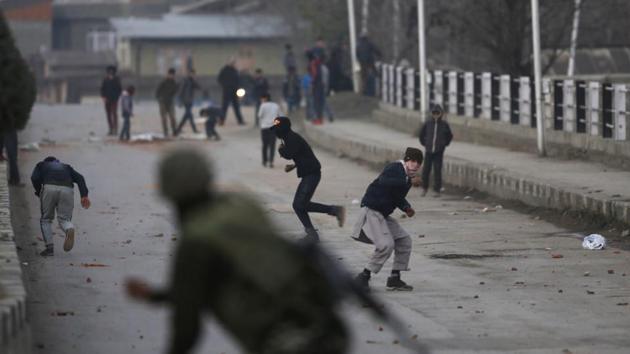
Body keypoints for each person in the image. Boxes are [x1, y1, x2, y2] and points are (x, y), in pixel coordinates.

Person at [124, 148, 349, 354]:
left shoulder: (196, 242)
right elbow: (223, 278)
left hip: (284, 344)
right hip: (328, 328)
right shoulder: (241, 206)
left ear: (169, 192)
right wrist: (155, 296)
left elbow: (187, 326)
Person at [352, 147, 423, 292]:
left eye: (419, 162)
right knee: (386, 244)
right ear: (407, 160)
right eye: (413, 161)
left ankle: (395, 277)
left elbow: (397, 196)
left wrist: (406, 207)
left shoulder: (407, 178)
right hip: (372, 210)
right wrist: (406, 181)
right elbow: (384, 181)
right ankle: (363, 277)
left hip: (383, 215)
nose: (416, 165)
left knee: (404, 240)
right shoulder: (395, 168)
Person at [272, 117, 345, 242]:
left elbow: (289, 154)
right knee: (300, 205)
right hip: (309, 173)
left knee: (299, 205)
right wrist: (295, 165)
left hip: (312, 174)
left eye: (277, 129)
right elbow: (302, 154)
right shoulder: (289, 137)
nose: (275, 133)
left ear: (282, 129)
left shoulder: (291, 138)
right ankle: (331, 213)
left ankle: (320, 226)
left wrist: (281, 150)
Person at [31, 156, 91, 257]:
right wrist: (84, 195)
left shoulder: (41, 165)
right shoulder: (66, 167)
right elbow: (80, 178)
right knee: (64, 219)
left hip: (48, 188)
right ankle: (69, 228)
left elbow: (34, 178)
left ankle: (49, 249)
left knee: (46, 219)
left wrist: (38, 191)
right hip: (67, 189)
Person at [419, 104, 453, 197]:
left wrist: (444, 144)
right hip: (429, 151)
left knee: (437, 170)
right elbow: (421, 135)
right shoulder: (428, 123)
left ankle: (437, 190)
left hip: (439, 151)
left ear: (441, 114)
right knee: (426, 170)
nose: (436, 115)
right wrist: (425, 144)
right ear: (431, 114)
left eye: (438, 113)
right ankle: (424, 188)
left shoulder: (444, 124)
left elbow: (449, 136)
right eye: (434, 113)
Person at [258, 93, 282, 168]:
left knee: (265, 145)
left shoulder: (263, 105)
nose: (261, 100)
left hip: (264, 127)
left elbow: (259, 115)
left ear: (264, 98)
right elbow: (281, 116)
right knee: (272, 145)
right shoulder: (276, 105)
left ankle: (264, 161)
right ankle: (271, 161)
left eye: (261, 99)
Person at [218, 59, 245, 125]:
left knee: (236, 106)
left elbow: (238, 80)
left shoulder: (235, 71)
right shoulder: (224, 70)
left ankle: (240, 121)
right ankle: (221, 120)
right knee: (225, 107)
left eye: (234, 63)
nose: (233, 64)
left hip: (234, 91)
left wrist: (239, 88)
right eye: (232, 63)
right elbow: (219, 79)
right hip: (227, 91)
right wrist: (225, 85)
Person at [175, 69, 201, 135]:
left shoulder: (192, 81)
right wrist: (179, 100)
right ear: (189, 74)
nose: (193, 75)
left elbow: (199, 87)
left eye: (194, 74)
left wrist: (195, 80)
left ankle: (178, 129)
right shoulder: (185, 80)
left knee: (187, 115)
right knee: (188, 114)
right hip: (186, 100)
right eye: (192, 74)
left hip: (190, 101)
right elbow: (181, 91)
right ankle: (194, 130)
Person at [155, 68, 178, 137]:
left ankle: (174, 131)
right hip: (163, 103)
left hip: (170, 102)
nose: (171, 76)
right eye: (170, 75)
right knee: (164, 119)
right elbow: (157, 92)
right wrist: (160, 99)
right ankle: (165, 132)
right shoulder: (163, 82)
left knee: (173, 117)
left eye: (173, 75)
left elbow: (175, 92)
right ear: (168, 74)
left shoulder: (174, 83)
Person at [100, 66, 122, 135]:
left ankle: (115, 129)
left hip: (114, 100)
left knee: (114, 114)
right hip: (107, 100)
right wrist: (103, 97)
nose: (110, 73)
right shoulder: (105, 79)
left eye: (112, 72)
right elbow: (102, 89)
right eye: (109, 72)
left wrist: (117, 97)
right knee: (108, 115)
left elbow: (119, 89)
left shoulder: (116, 79)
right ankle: (110, 129)